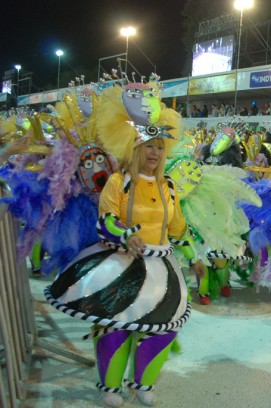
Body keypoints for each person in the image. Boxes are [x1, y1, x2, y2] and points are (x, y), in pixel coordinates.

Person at [45, 82, 203, 407]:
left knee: (162, 328)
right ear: (136, 148)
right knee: (115, 327)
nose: (155, 153)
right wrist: (125, 235)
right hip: (121, 264)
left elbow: (178, 228)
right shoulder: (118, 182)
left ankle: (143, 382)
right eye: (148, 146)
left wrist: (194, 257)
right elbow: (105, 219)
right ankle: (111, 387)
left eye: (160, 147)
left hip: (161, 269)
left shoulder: (169, 187)